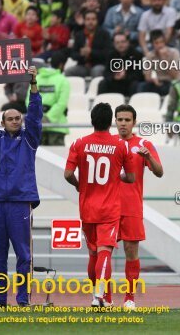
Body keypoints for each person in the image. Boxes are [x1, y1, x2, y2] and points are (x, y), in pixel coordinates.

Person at [0, 66, 42, 307]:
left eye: (17, 118)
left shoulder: (30, 139)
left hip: (20, 204)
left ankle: (22, 299)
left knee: (24, 256)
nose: (15, 121)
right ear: (2, 122)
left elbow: (35, 115)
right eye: (10, 119)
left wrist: (34, 87)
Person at [64, 102, 135, 307]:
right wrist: (118, 176)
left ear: (92, 120)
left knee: (93, 253)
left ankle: (96, 295)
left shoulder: (79, 143)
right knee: (105, 251)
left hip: (87, 207)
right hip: (109, 209)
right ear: (111, 122)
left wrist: (79, 186)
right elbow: (130, 177)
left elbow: (68, 174)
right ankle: (99, 297)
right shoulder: (120, 145)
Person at [114, 104, 163, 310]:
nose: (123, 123)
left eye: (127, 120)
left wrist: (148, 158)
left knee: (131, 251)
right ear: (114, 121)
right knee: (101, 252)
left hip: (132, 207)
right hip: (108, 207)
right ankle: (104, 297)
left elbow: (160, 172)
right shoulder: (108, 144)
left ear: (134, 122)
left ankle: (129, 298)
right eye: (120, 119)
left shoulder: (143, 144)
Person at [28, 51, 69, 146]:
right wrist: (48, 118)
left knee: (37, 159)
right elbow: (61, 104)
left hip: (37, 126)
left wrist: (38, 117)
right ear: (61, 65)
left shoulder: (36, 78)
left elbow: (29, 100)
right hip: (57, 127)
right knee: (55, 159)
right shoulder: (63, 81)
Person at [65, 10, 111, 77]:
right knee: (69, 71)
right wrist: (81, 54)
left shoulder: (104, 34)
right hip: (83, 66)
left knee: (96, 71)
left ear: (97, 21)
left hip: (99, 64)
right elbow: (73, 54)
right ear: (84, 21)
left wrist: (91, 52)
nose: (90, 22)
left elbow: (108, 53)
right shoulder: (79, 35)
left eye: (93, 19)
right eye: (88, 19)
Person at [137, 30, 180, 95]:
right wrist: (153, 79)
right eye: (156, 43)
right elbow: (147, 77)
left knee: (166, 88)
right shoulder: (150, 55)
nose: (160, 45)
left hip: (173, 81)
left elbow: (174, 75)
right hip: (159, 81)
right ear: (152, 44)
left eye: (161, 42)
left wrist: (165, 60)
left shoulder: (174, 53)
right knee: (141, 86)